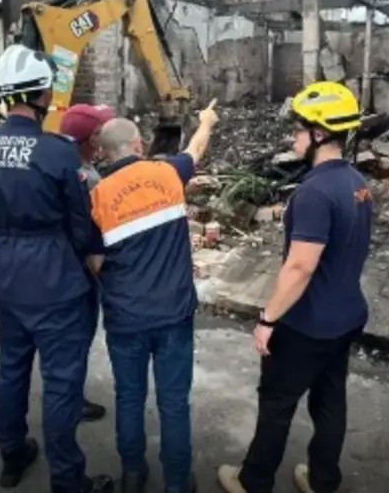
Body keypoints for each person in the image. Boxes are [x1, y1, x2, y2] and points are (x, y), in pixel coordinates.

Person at [0, 43, 114, 493]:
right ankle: (68, 480)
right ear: (42, 94)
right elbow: (80, 224)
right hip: (54, 279)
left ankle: (12, 454)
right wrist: (92, 260)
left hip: (5, 273)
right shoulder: (57, 152)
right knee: (61, 382)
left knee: (13, 368)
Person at [218, 82, 372, 493]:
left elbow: (301, 266)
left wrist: (268, 319)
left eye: (299, 130)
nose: (293, 138)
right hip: (347, 315)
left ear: (319, 134)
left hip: (307, 322)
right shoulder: (357, 182)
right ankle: (322, 480)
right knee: (330, 399)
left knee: (277, 403)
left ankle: (253, 481)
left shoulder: (314, 192)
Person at [89, 101, 219, 493]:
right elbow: (195, 150)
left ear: (104, 154)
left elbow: (95, 262)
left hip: (125, 317)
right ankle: (177, 483)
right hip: (173, 314)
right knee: (174, 403)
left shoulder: (97, 197)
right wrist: (206, 121)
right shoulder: (167, 173)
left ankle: (133, 475)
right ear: (139, 145)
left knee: (129, 398)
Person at [58, 103, 121, 424]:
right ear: (90, 139)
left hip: (54, 265)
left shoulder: (57, 165)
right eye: (99, 134)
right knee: (78, 337)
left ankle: (65, 393)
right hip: (83, 268)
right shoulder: (89, 178)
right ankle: (71, 400)